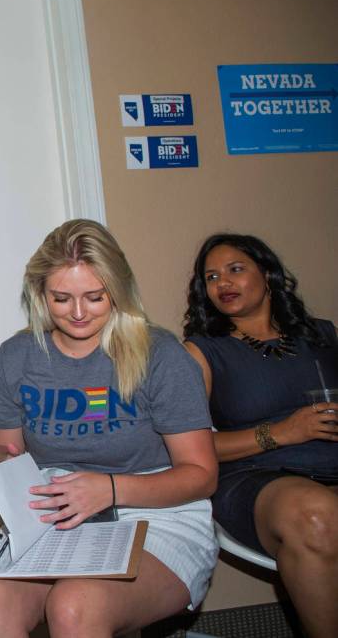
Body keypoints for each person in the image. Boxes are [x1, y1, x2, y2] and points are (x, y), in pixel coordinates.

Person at [0, 219, 219, 638]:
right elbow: (1, 448)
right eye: (61, 298)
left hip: (154, 515)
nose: (78, 313)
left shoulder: (161, 355)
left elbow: (202, 475)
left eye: (95, 297)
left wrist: (110, 488)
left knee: (75, 605)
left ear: (118, 291)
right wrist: (9, 467)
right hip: (54, 512)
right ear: (40, 294)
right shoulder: (16, 356)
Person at [183, 233, 338, 638]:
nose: (223, 283)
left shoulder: (322, 336)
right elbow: (191, 448)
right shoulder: (202, 351)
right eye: (212, 277)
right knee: (316, 513)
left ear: (267, 274)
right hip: (254, 477)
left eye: (235, 270)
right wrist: (282, 433)